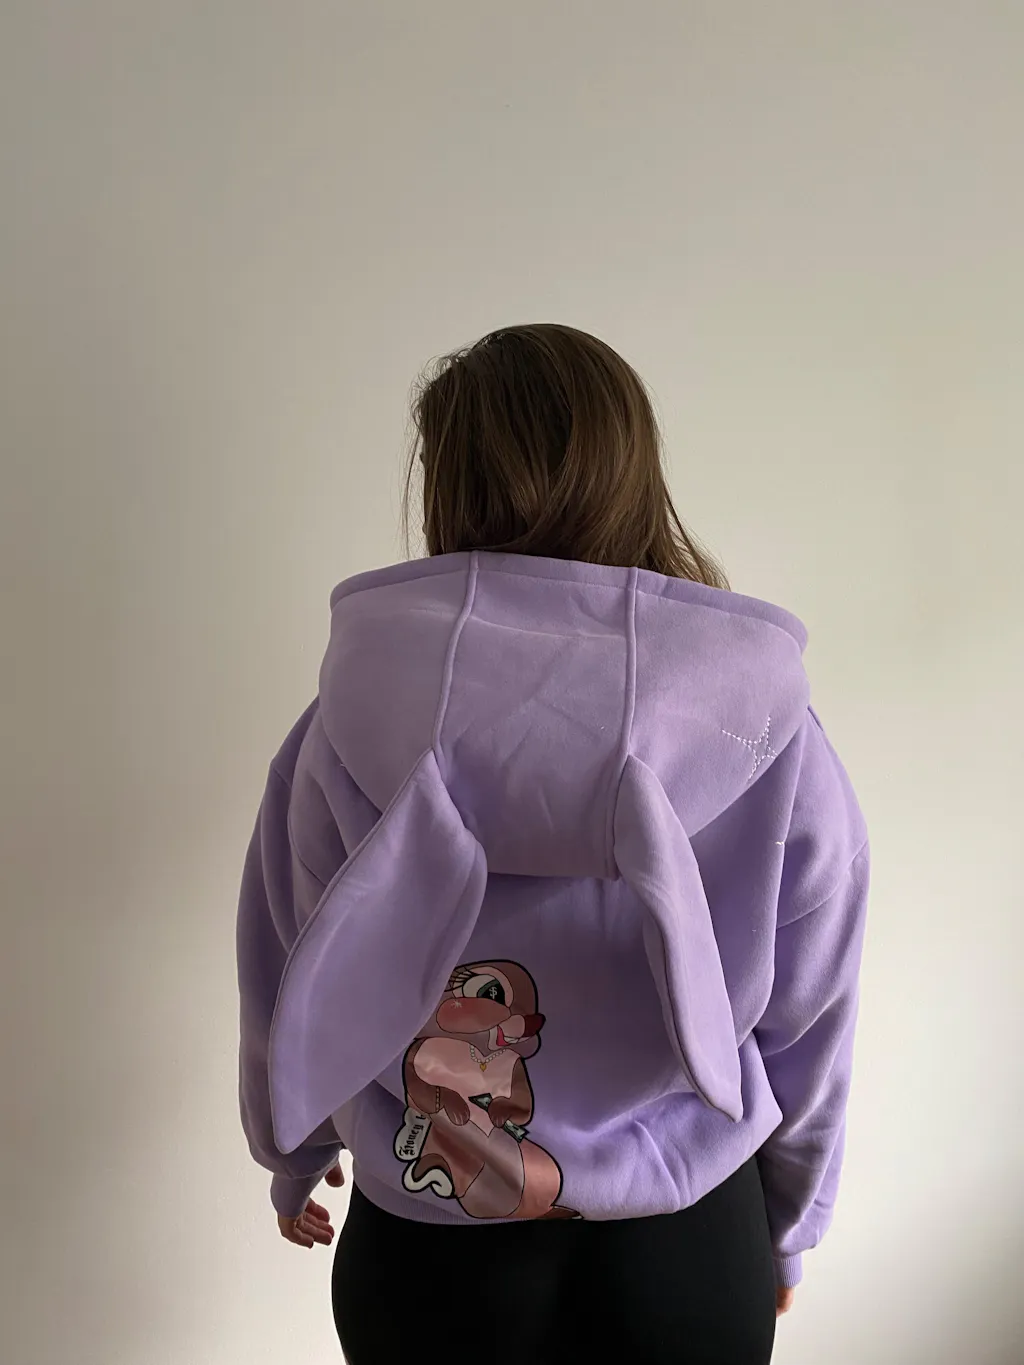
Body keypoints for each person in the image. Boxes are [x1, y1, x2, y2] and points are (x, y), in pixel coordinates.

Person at [236, 324, 869, 1364]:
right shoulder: (761, 731)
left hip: (430, 1245)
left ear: (448, 482)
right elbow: (813, 1009)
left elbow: (289, 955)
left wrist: (292, 1150)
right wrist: (793, 1223)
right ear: (634, 472)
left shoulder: (347, 719)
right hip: (689, 1243)